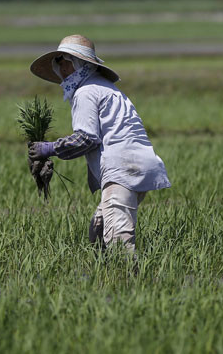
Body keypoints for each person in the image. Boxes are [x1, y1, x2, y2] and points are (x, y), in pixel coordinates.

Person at [27, 34, 171, 255]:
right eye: (59, 64)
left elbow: (86, 138)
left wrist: (50, 148)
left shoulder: (86, 92)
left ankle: (128, 281)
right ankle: (103, 275)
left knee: (117, 240)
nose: (62, 69)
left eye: (67, 62)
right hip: (138, 165)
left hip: (122, 169)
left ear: (80, 64)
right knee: (98, 229)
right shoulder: (104, 87)